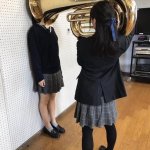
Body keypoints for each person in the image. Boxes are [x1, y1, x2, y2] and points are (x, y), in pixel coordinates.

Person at [74, 1, 134, 150]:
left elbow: (81, 61)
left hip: (88, 93)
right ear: (113, 21)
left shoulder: (82, 44)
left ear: (94, 21)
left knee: (87, 131)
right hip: (107, 93)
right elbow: (131, 30)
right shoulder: (119, 43)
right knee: (110, 125)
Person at [28, 14, 65, 138]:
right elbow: (35, 56)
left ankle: (53, 122)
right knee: (44, 101)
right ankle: (48, 126)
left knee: (53, 98)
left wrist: (59, 71)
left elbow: (56, 53)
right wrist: (39, 77)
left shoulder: (51, 29)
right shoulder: (33, 31)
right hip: (44, 73)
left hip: (55, 71)